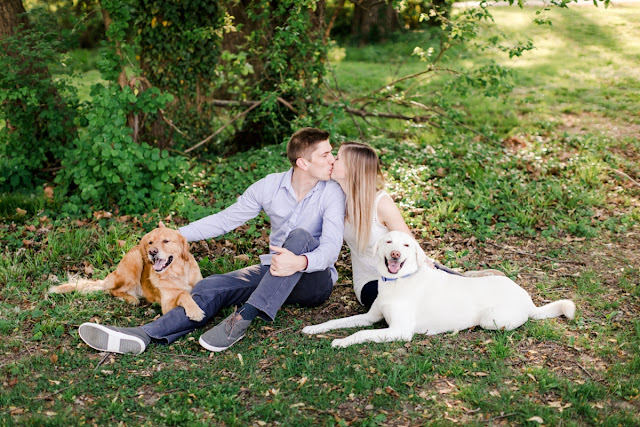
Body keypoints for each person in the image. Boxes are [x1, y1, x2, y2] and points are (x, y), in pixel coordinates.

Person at [77, 127, 345, 354]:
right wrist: (175, 234)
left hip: (314, 280)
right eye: (326, 154)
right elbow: (226, 219)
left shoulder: (332, 192)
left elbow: (331, 250)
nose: (332, 159)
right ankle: (142, 335)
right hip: (273, 270)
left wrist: (298, 261)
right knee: (210, 285)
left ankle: (243, 318)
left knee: (299, 236)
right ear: (303, 162)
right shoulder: (269, 186)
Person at [330, 141, 502, 310]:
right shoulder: (336, 199)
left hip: (407, 274)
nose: (331, 160)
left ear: (351, 169)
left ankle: (468, 281)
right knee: (398, 304)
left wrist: (430, 267)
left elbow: (410, 244)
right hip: (370, 281)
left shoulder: (379, 203)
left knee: (448, 299)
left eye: (337, 158)